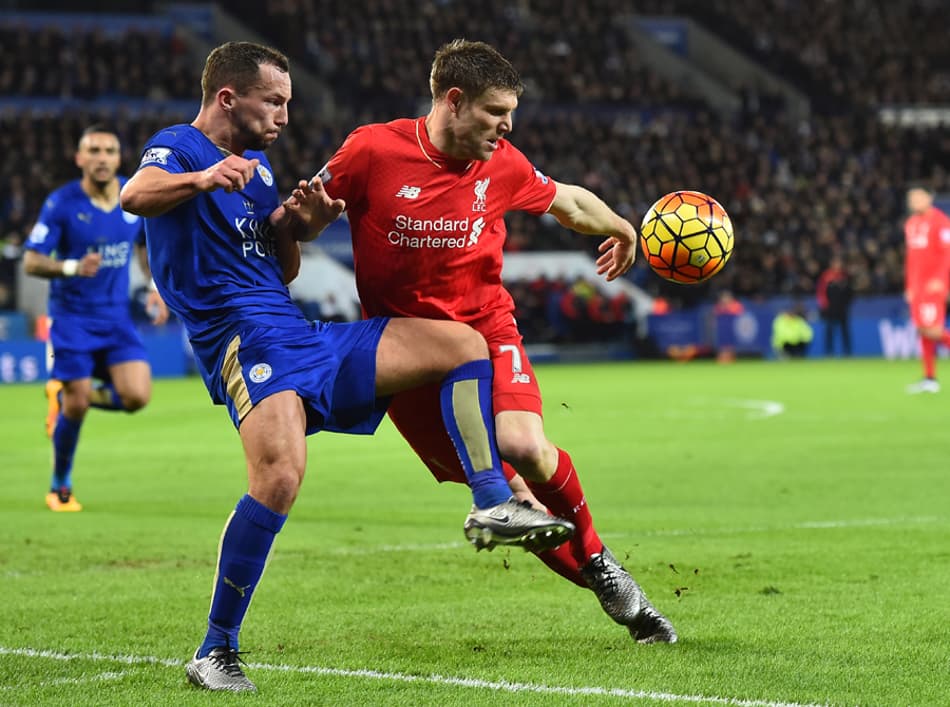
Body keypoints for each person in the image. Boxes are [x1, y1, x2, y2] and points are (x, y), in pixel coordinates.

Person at [119, 41, 573, 693]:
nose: (283, 116)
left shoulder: (260, 169)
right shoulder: (182, 147)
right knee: (278, 477)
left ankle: (493, 501)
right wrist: (203, 179)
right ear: (228, 98)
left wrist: (299, 223)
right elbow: (137, 195)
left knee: (462, 345)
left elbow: (281, 268)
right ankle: (216, 649)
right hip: (244, 342)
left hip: (301, 333)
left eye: (288, 104)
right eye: (273, 101)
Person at [316, 39, 677, 644]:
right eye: (495, 112)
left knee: (523, 446)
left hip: (487, 330)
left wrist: (619, 223)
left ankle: (606, 570)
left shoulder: (502, 162)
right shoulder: (372, 150)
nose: (506, 126)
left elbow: (566, 201)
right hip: (409, 355)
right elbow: (306, 212)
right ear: (453, 101)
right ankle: (605, 578)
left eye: (511, 113)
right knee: (512, 504)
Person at [23, 125, 169, 512]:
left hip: (116, 318)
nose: (101, 157)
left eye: (109, 150)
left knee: (137, 397)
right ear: (80, 158)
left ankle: (64, 392)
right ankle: (60, 486)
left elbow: (143, 245)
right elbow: (31, 260)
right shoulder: (62, 203)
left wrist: (154, 286)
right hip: (72, 319)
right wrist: (71, 267)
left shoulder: (130, 196)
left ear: (119, 158)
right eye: (94, 150)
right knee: (77, 406)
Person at [903, 185, 950, 393]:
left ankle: (930, 378)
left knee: (934, 330)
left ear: (929, 197)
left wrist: (942, 280)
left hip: (933, 284)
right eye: (911, 198)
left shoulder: (941, 222)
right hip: (917, 287)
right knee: (923, 331)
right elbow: (911, 259)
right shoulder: (911, 224)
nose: (914, 201)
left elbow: (947, 253)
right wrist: (910, 286)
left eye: (918, 197)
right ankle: (929, 378)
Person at [816, 256, 852, 356]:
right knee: (830, 330)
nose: (838, 265)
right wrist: (824, 304)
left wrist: (847, 304)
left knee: (844, 331)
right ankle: (829, 352)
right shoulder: (826, 276)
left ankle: (847, 351)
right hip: (830, 308)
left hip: (842, 308)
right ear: (832, 264)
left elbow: (849, 292)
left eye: (839, 263)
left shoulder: (844, 276)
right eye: (836, 263)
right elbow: (821, 291)